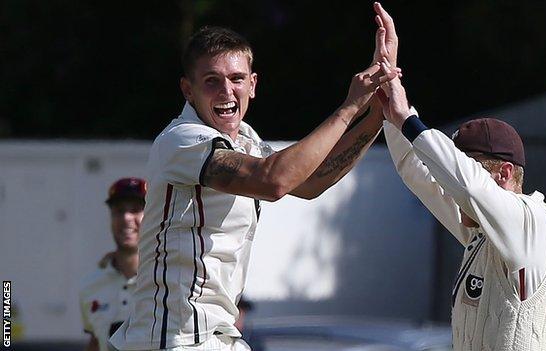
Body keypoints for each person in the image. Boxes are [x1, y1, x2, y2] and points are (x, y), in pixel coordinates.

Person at [110, 21, 400, 351]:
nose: (226, 91)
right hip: (173, 337)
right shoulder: (180, 139)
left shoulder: (247, 140)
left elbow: (311, 182)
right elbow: (273, 181)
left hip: (218, 334)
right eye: (211, 81)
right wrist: (350, 107)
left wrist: (377, 110)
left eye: (236, 79)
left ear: (253, 84)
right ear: (187, 90)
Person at [374, 4, 546, 349]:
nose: (452, 183)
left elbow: (470, 186)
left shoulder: (531, 221)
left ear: (505, 173)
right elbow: (417, 171)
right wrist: (390, 90)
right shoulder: (482, 233)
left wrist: (407, 120)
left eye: (468, 164)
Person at [79, 177, 147, 351]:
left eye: (136, 210)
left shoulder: (168, 278)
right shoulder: (90, 285)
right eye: (119, 210)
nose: (126, 218)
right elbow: (95, 342)